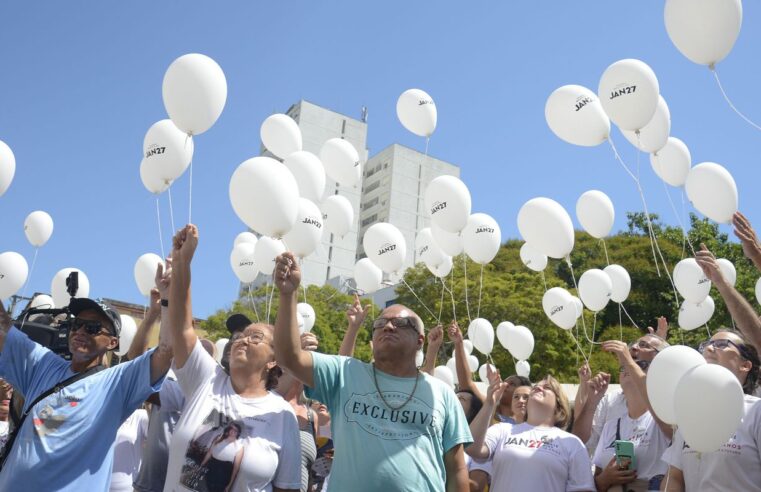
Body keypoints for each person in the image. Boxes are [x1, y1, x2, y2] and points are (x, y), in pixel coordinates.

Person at [272, 252, 472, 492]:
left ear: (420, 341)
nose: (387, 326)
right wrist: (288, 294)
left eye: (399, 324)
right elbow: (288, 357)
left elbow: (457, 468)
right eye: (380, 324)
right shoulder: (344, 373)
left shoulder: (442, 393)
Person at [162, 225, 301, 492]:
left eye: (256, 337)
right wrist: (183, 263)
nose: (243, 339)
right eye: (240, 336)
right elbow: (182, 327)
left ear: (273, 360)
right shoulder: (206, 380)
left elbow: (288, 489)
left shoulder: (282, 415)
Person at [0, 290, 170, 491]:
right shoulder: (43, 365)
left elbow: (167, 349)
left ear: (112, 342)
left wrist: (167, 300)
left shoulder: (116, 384)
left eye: (92, 327)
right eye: (76, 324)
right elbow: (3, 327)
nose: (80, 331)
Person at [662, 329, 761, 491]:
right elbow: (674, 477)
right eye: (707, 345)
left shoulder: (756, 412)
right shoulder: (689, 414)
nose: (709, 349)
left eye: (722, 344)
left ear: (745, 365)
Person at [467, 368, 595, 492]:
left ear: (559, 406)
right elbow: (471, 447)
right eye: (535, 387)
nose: (538, 388)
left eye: (547, 387)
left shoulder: (571, 443)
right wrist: (490, 402)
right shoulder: (503, 429)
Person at [572, 323, 670, 454]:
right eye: (623, 368)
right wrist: (591, 401)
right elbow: (582, 442)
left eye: (644, 345)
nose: (633, 347)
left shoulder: (665, 402)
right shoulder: (611, 404)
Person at [589, 341, 671, 492]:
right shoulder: (611, 426)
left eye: (640, 365)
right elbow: (596, 483)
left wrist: (627, 359)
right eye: (624, 366)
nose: (628, 367)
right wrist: (605, 479)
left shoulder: (666, 418)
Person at [447, 322, 531, 422]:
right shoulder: (488, 407)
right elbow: (467, 384)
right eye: (505, 381)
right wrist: (458, 343)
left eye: (512, 384)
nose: (505, 384)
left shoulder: (529, 423)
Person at [111, 407, 149, 492]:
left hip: (130, 486)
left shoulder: (140, 415)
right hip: (103, 484)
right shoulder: (105, 416)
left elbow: (155, 441)